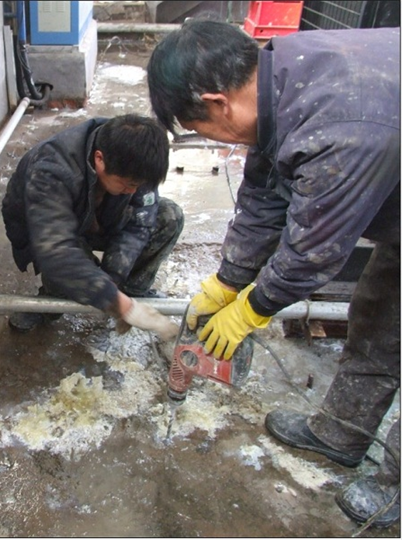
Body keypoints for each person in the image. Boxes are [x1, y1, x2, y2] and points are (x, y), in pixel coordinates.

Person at [147, 20, 400, 528]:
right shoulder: (276, 80)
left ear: (218, 103)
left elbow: (312, 251)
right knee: (378, 315)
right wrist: (228, 279)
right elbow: (265, 194)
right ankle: (341, 432)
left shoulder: (340, 128)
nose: (212, 139)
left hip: (378, 132)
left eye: (200, 129)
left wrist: (250, 311)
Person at [1, 114, 183, 339]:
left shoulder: (135, 159)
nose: (134, 191)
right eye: (129, 185)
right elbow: (56, 251)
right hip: (47, 227)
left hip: (101, 217)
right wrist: (120, 305)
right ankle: (51, 301)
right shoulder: (52, 168)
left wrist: (113, 282)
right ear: (99, 159)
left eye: (139, 185)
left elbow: (139, 224)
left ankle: (134, 292)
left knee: (169, 216)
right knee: (66, 271)